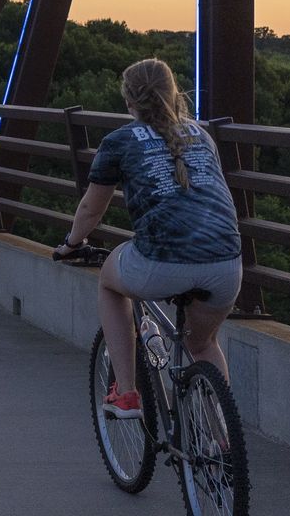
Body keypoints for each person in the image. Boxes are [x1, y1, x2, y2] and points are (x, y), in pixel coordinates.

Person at [53, 58, 242, 420]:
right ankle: (222, 444)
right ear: (174, 93)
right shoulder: (202, 135)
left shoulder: (119, 141)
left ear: (129, 101)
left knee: (110, 282)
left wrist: (72, 244)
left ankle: (125, 393)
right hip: (226, 263)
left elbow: (92, 209)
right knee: (202, 344)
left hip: (163, 262)